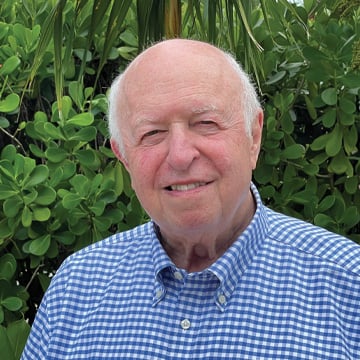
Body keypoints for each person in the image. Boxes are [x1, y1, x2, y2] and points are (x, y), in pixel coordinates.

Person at [21, 39, 360, 359]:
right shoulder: (76, 288)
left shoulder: (348, 284)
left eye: (206, 123)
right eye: (152, 133)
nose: (180, 156)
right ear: (124, 157)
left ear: (253, 136)